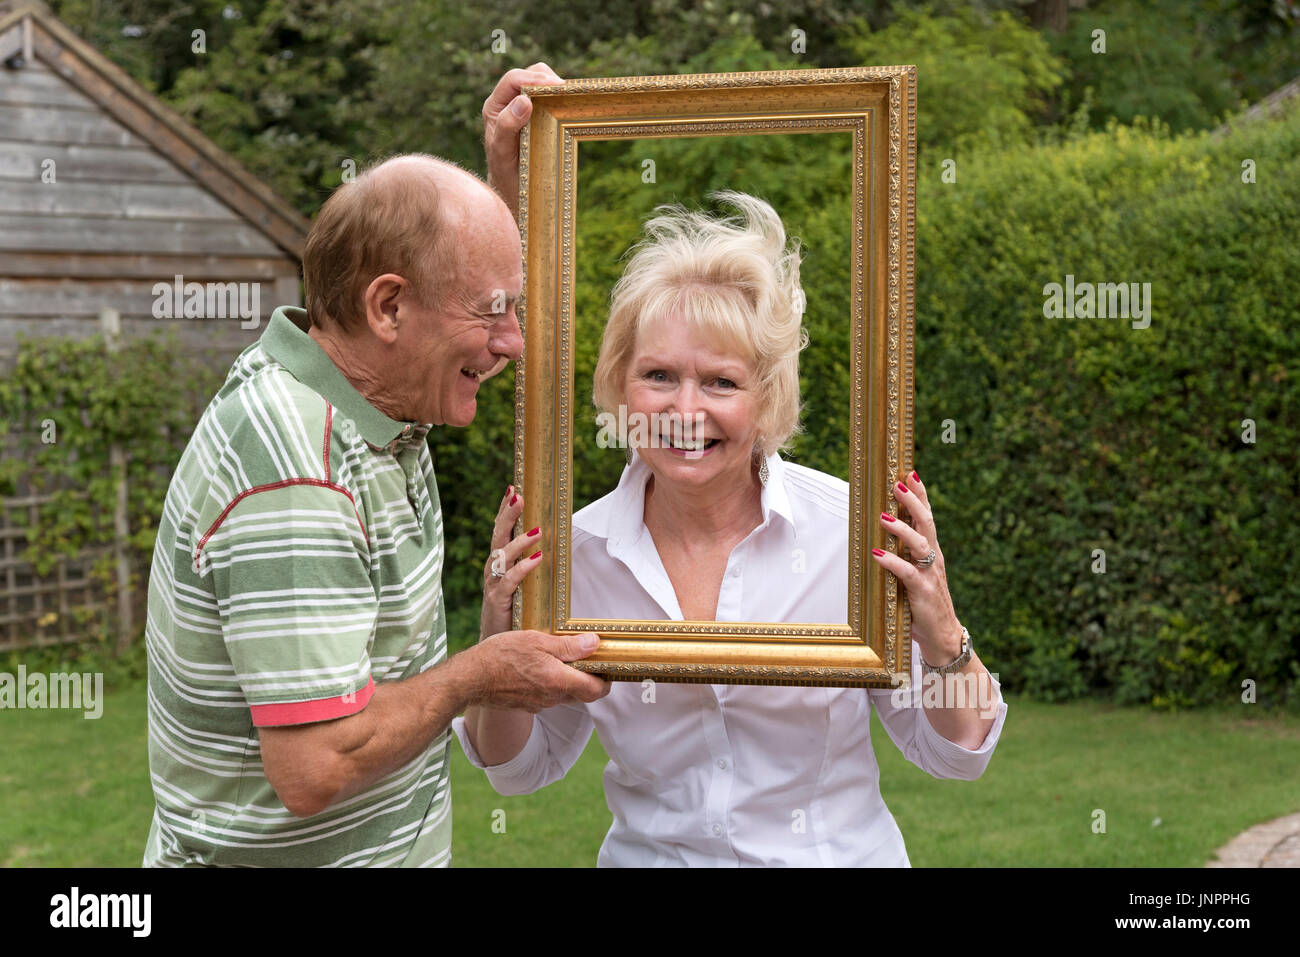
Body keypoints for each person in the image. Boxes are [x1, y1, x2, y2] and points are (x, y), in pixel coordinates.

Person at [142, 65, 610, 867]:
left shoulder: (371, 400)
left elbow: (484, 332)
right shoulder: (296, 470)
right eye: (493, 310)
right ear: (389, 307)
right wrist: (476, 675)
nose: (513, 342)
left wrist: (511, 179)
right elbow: (316, 766)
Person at [455, 191, 1008, 866]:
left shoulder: (851, 532)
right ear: (620, 384)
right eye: (658, 374)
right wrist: (497, 639)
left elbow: (960, 750)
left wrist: (943, 630)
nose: (685, 410)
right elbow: (518, 769)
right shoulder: (574, 554)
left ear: (767, 396)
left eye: (720, 382)